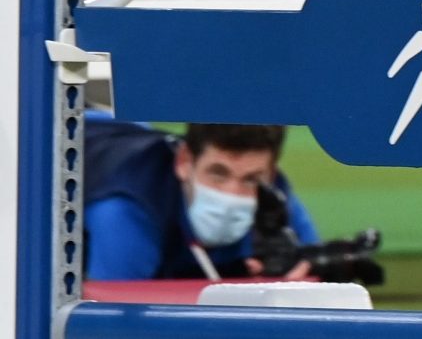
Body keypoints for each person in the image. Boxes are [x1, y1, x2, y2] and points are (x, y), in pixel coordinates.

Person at [84, 115, 320, 282]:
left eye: (250, 179)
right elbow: (113, 329)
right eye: (218, 174)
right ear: (184, 162)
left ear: (271, 173)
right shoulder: (126, 211)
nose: (232, 194)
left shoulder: (276, 203)